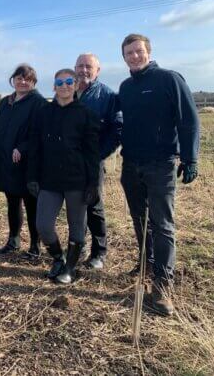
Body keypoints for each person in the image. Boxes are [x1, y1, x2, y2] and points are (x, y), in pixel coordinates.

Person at [119, 33, 199, 316]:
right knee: (139, 219)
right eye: (129, 53)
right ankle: (147, 262)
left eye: (139, 51)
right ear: (124, 57)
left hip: (160, 164)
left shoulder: (169, 79)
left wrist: (190, 158)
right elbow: (118, 122)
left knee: (162, 224)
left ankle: (162, 287)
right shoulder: (126, 87)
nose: (134, 56)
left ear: (148, 52)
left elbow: (188, 120)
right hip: (131, 164)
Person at [27, 69, 100, 284]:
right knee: (43, 224)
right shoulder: (43, 113)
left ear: (76, 85)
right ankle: (58, 257)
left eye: (69, 81)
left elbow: (92, 153)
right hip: (49, 179)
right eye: (60, 82)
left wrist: (93, 183)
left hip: (77, 180)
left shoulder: (86, 114)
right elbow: (35, 147)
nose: (65, 85)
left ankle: (70, 267)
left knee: (76, 225)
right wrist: (32, 176)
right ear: (54, 86)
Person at [0, 64, 47, 259]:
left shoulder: (38, 102)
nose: (23, 82)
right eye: (19, 78)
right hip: (7, 161)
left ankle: (35, 246)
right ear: (13, 80)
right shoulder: (6, 102)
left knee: (31, 204)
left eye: (27, 79)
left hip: (27, 162)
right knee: (12, 201)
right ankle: (13, 240)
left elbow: (38, 133)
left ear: (33, 82)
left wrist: (22, 148)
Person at [75, 53, 123, 269]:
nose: (83, 70)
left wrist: (100, 154)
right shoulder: (68, 92)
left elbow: (117, 128)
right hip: (69, 162)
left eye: (88, 66)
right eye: (80, 66)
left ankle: (99, 251)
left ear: (97, 70)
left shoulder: (106, 96)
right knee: (75, 205)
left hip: (93, 161)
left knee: (93, 205)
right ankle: (78, 246)